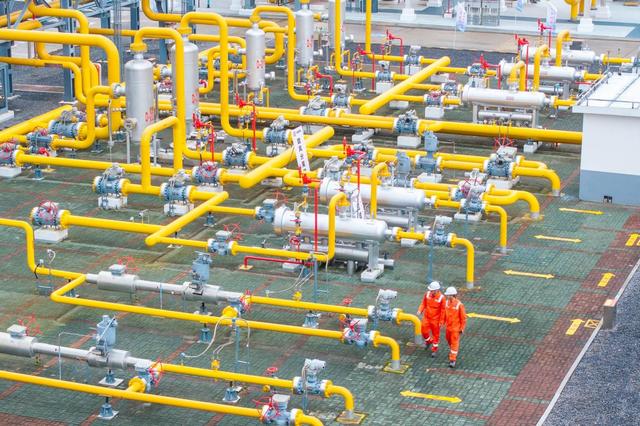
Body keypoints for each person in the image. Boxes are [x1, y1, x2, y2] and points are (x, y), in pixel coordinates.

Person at [417, 281, 445, 357]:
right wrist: (420, 310)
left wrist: (441, 321)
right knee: (423, 331)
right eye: (430, 290)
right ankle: (429, 341)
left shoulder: (441, 298)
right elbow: (423, 303)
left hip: (436, 320)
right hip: (427, 317)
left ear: (437, 290)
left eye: (432, 290)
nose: (431, 291)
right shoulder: (427, 294)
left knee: (436, 335)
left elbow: (443, 311)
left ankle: (434, 350)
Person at [443, 286, 466, 368]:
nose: (447, 296)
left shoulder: (459, 305)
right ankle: (453, 352)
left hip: (455, 329)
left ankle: (452, 359)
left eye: (448, 295)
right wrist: (442, 321)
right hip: (448, 327)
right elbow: (444, 314)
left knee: (454, 343)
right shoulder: (446, 303)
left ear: (452, 295)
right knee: (448, 340)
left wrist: (462, 328)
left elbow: (463, 318)